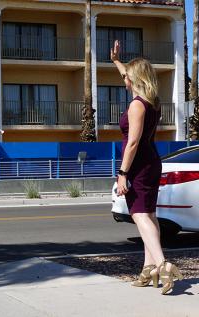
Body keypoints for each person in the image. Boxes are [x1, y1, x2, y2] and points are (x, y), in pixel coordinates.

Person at [111, 40, 183, 295]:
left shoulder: (136, 105)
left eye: (127, 77)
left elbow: (132, 143)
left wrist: (122, 174)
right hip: (152, 162)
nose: (124, 80)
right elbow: (125, 72)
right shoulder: (152, 102)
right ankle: (148, 269)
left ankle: (163, 265)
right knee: (149, 216)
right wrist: (116, 60)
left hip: (139, 166)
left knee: (140, 216)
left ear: (134, 79)